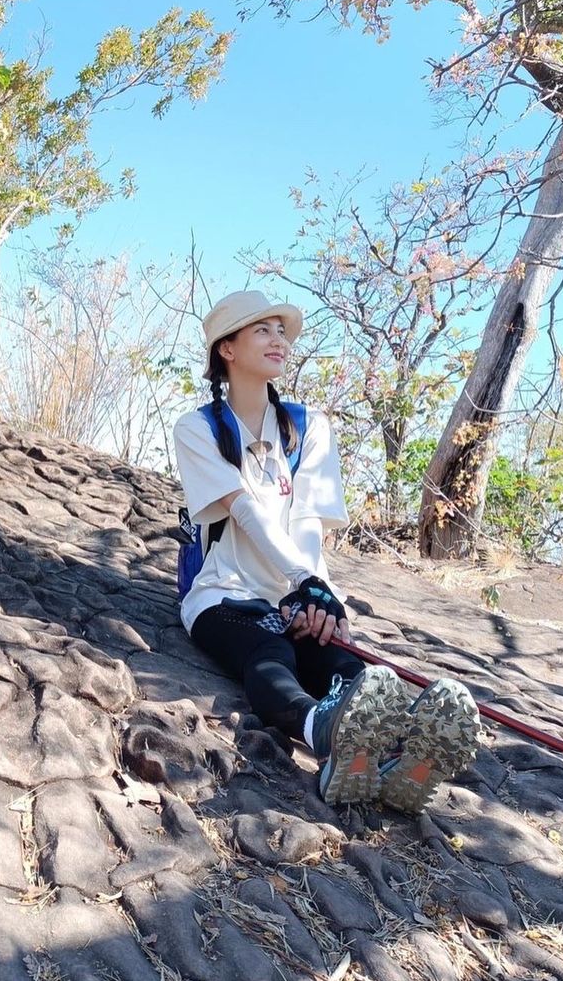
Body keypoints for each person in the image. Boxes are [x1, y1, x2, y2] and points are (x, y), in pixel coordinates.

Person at [174, 289, 479, 812]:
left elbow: (308, 522)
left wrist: (318, 594)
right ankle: (324, 733)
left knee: (343, 666)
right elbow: (243, 510)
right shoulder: (197, 429)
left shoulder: (309, 425)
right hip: (224, 596)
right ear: (227, 348)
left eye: (281, 331)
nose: (279, 340)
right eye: (262, 330)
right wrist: (301, 582)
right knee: (269, 653)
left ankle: (402, 754)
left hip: (297, 591)